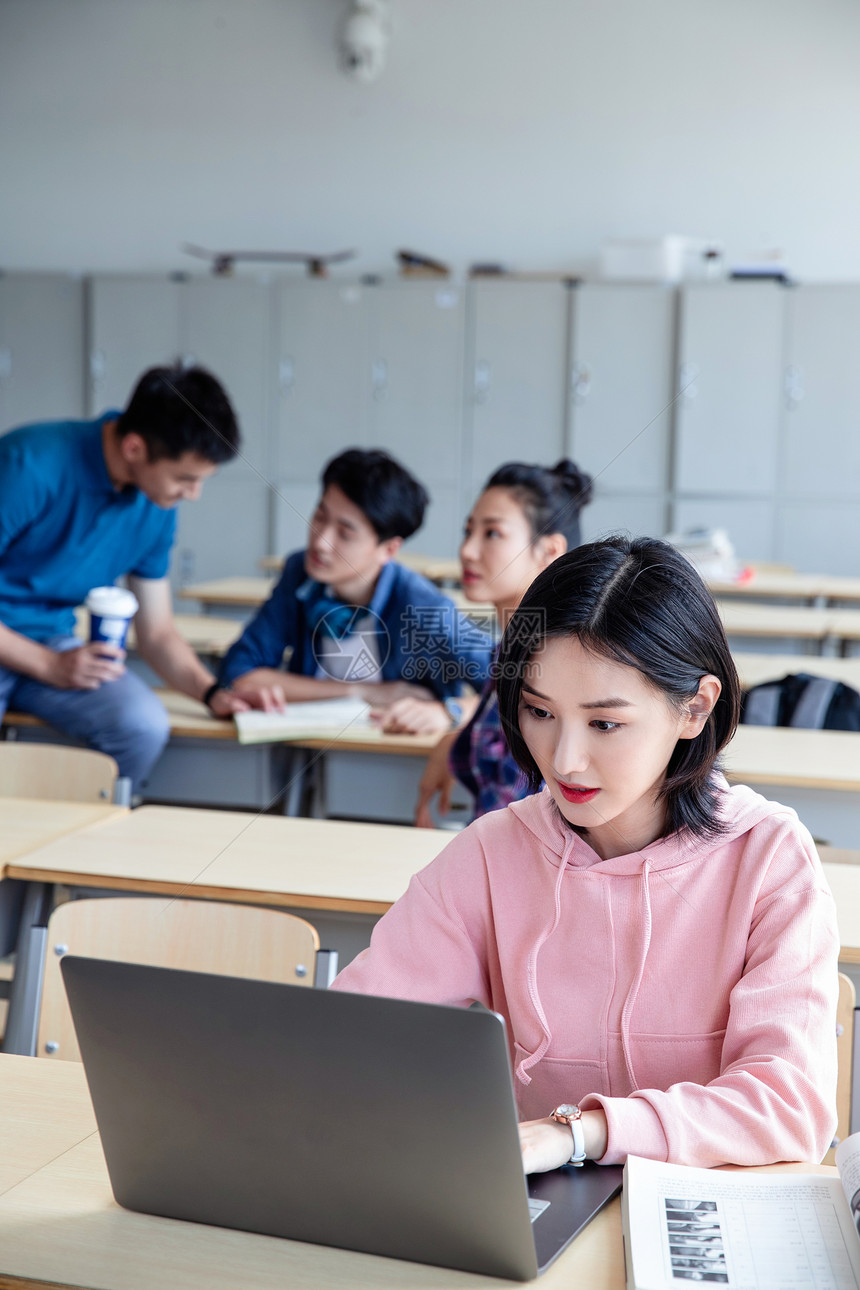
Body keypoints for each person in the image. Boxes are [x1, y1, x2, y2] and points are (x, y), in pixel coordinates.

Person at [334, 536, 839, 1171]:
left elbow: (789, 1105)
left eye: (604, 723)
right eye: (539, 712)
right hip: (533, 1219)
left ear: (695, 707)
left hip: (705, 1214)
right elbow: (353, 1031)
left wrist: (581, 1132)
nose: (563, 760)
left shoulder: (767, 856)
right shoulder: (493, 851)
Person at [0, 364, 251, 789]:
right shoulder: (28, 465)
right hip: (32, 649)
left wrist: (213, 693)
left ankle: (67, 841)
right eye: (185, 479)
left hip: (51, 643)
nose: (193, 494)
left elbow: (156, 633)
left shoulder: (156, 504)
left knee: (142, 726)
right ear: (134, 448)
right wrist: (49, 664)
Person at [216, 449, 493, 733]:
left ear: (388, 549)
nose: (321, 542)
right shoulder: (300, 574)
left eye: (345, 533)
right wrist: (361, 692)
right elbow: (240, 672)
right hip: (316, 751)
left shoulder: (424, 608)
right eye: (320, 516)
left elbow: (510, 687)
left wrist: (449, 712)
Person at [416, 459, 592, 825]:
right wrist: (453, 744)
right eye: (468, 532)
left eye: (492, 534)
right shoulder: (511, 654)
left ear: (549, 551)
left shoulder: (549, 674)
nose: (467, 550)